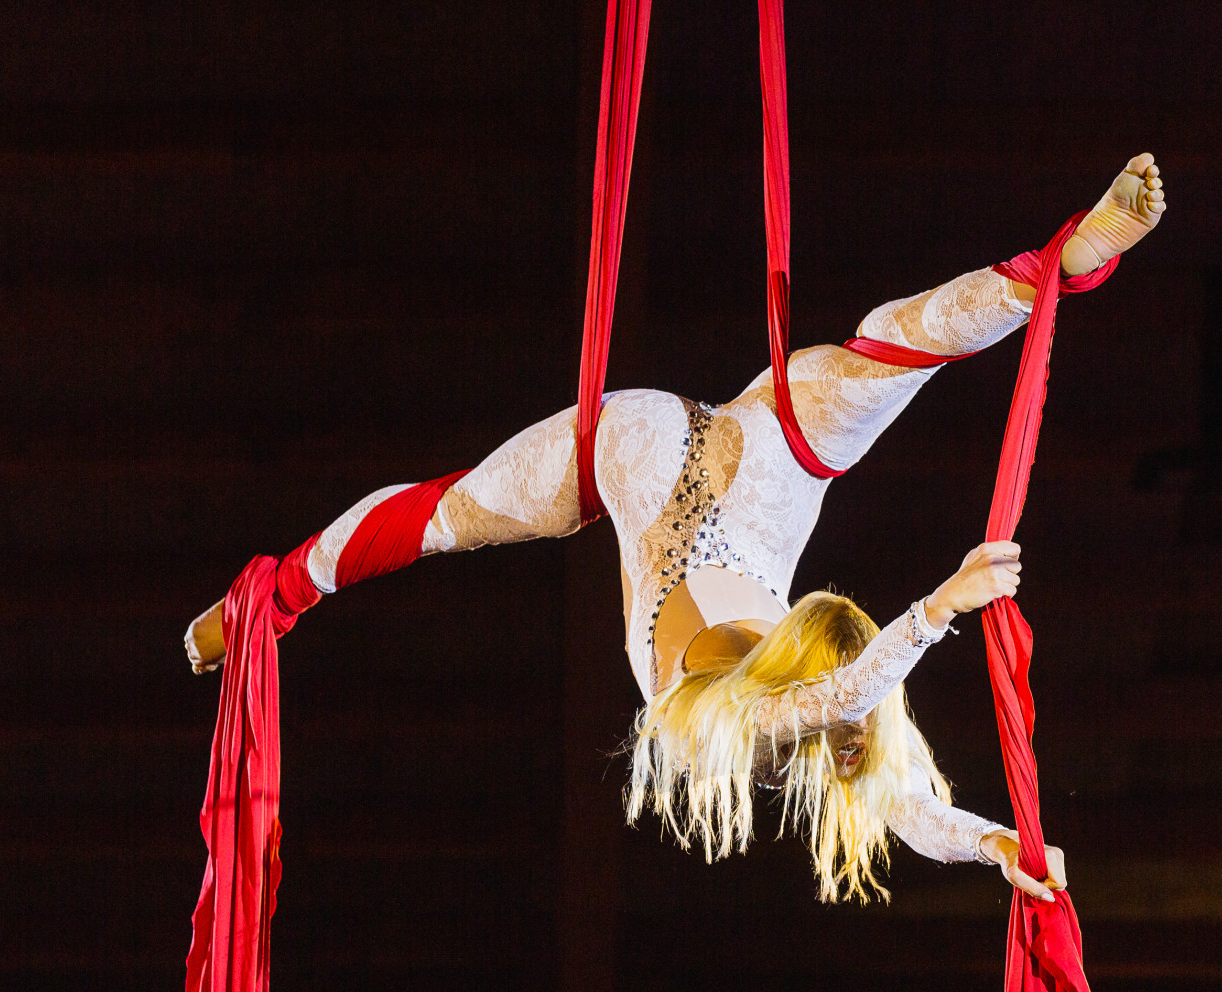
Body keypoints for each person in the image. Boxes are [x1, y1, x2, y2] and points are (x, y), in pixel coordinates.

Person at [186, 154, 1167, 903]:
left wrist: (944, 606)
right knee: (892, 352)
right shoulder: (826, 704)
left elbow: (861, 712)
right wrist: (997, 842)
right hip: (774, 475)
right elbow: (904, 791)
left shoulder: (732, 719)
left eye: (852, 726)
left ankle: (280, 593)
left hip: (645, 457)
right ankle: (1050, 267)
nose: (868, 742)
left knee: (447, 517)